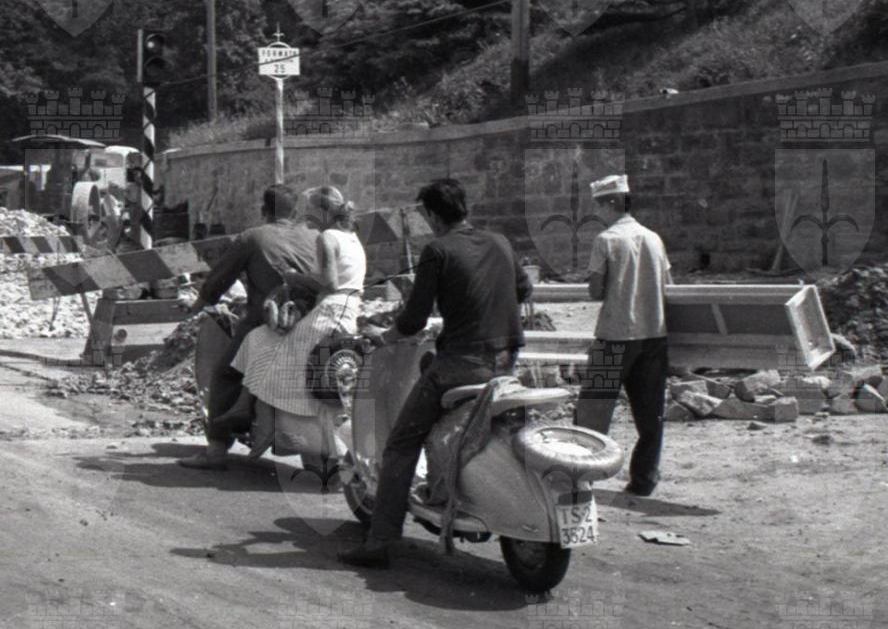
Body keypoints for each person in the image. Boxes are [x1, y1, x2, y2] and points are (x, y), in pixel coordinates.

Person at [339, 179, 532, 568]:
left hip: (461, 363)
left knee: (400, 443)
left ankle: (379, 541)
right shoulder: (499, 242)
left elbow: (412, 320)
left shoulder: (437, 250)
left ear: (430, 214)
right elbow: (523, 291)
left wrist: (383, 337)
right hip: (506, 360)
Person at [177, 184, 320, 470]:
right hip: (312, 321)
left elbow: (219, 280)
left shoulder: (252, 237)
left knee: (225, 373)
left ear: (264, 210)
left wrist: (198, 304)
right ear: (295, 212)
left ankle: (217, 449)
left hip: (267, 321)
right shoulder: (315, 237)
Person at [227, 185, 368, 457]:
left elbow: (329, 283)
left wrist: (294, 277)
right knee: (268, 345)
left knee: (272, 352)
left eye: (310, 209)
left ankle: (264, 424)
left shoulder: (327, 237)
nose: (306, 216)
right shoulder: (353, 238)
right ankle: (251, 413)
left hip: (329, 312)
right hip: (349, 312)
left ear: (323, 210)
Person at [573, 173, 672, 497]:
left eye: (599, 205)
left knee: (592, 411)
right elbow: (669, 285)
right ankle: (643, 481)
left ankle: (580, 479)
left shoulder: (606, 240)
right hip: (653, 337)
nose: (597, 212)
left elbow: (595, 291)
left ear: (613, 202)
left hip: (614, 339)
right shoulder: (654, 238)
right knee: (650, 416)